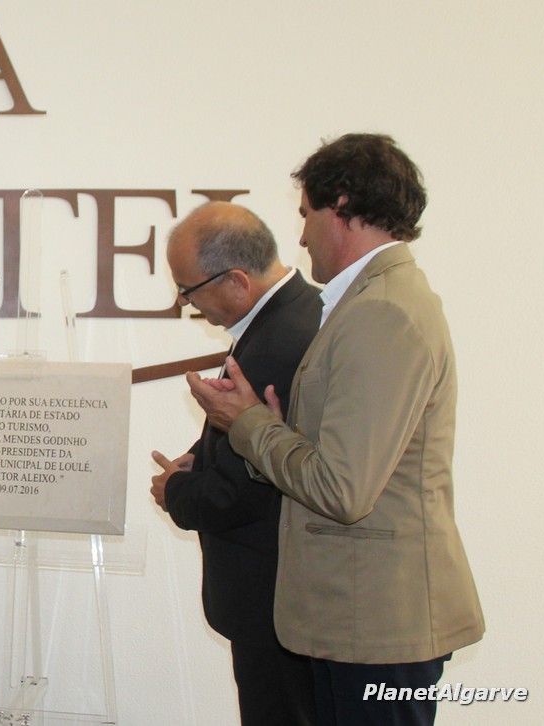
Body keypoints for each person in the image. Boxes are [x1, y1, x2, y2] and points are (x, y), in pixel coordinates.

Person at [187, 134, 484, 725]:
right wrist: (270, 429)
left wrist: (247, 424)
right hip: (357, 622)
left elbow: (342, 489)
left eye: (306, 214)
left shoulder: (381, 312)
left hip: (376, 626)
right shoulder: (371, 302)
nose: (300, 238)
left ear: (341, 206)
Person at [151, 202, 320, 725]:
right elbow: (255, 438)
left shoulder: (275, 344)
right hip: (291, 596)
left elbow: (247, 487)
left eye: (189, 289)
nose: (185, 302)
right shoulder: (301, 313)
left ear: (238, 281)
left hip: (274, 601)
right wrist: (202, 457)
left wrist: (174, 491)